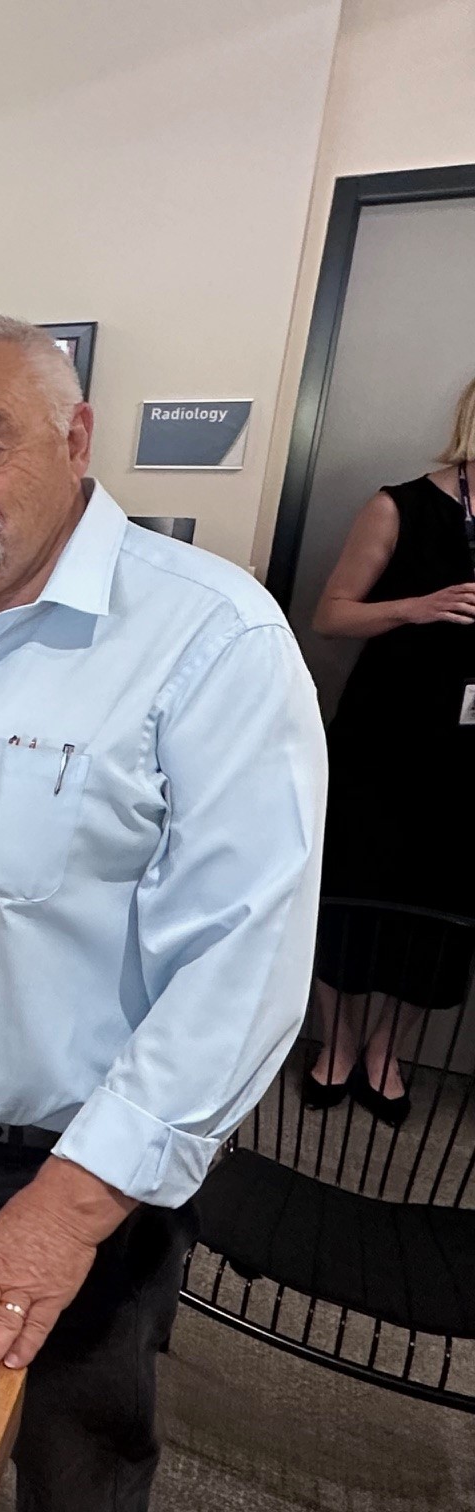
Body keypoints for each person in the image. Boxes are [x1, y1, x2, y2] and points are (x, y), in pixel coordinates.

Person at [0, 312, 326, 1510]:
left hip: (61, 1173)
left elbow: (241, 971)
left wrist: (68, 1210)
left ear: (77, 437)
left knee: (66, 1471)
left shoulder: (211, 640)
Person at [305, 375, 475, 1125]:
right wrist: (421, 607)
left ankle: (385, 1053)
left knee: (442, 909)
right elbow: (330, 617)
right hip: (383, 742)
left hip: (469, 760)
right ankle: (335, 1044)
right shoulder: (398, 505)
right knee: (348, 891)